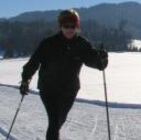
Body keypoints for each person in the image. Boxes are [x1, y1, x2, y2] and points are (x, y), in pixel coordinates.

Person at [19, 9, 109, 140]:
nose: (69, 29)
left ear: (77, 26)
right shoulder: (48, 43)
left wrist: (101, 60)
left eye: (73, 26)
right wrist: (25, 79)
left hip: (69, 91)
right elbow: (34, 62)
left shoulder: (82, 44)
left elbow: (94, 61)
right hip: (48, 89)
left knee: (59, 121)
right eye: (66, 26)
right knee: (54, 122)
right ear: (60, 26)